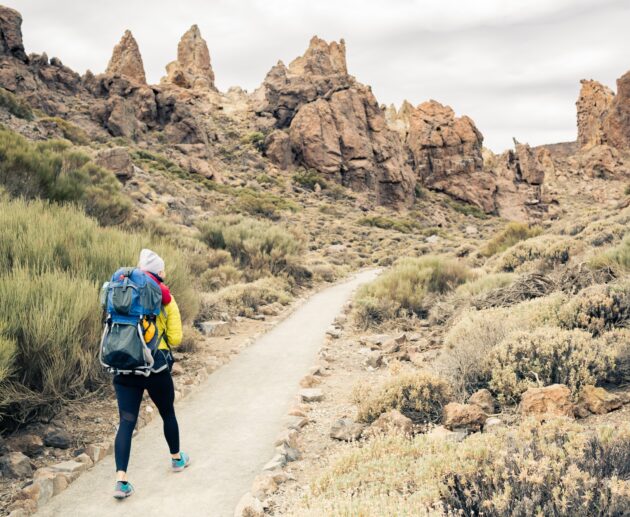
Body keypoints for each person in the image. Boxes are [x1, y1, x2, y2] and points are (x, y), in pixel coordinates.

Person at [112, 249, 190, 499]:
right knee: (167, 412)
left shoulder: (121, 291)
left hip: (124, 364)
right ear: (159, 273)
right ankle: (177, 459)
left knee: (126, 422)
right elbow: (176, 338)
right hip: (154, 366)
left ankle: (121, 481)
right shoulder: (166, 298)